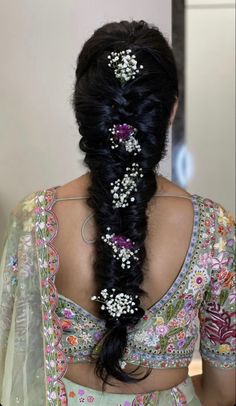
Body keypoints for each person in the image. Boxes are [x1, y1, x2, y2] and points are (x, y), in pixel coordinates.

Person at [0, 20, 235, 406]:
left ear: (84, 112)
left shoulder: (34, 219)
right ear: (170, 111)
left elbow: (16, 368)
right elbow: (225, 392)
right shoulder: (216, 230)